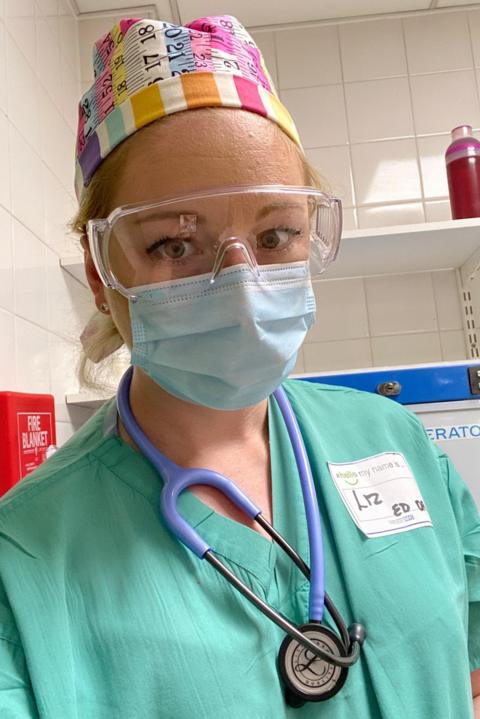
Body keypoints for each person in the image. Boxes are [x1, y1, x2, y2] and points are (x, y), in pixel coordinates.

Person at [0, 14, 479, 719]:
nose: (242, 285)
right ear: (102, 274)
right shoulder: (23, 562)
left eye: (277, 234)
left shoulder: (396, 439)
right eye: (173, 244)